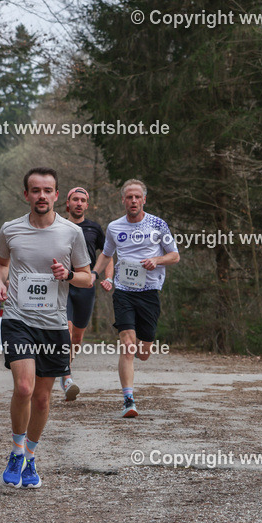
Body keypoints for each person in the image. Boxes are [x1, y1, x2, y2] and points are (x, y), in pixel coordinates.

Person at [0, 167, 93, 489]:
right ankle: (16, 451)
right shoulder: (10, 230)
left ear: (56, 195)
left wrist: (66, 275)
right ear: (26, 195)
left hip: (52, 325)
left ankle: (31, 457)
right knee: (23, 388)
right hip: (17, 318)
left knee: (41, 399)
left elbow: (87, 277)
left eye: (47, 190)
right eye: (35, 190)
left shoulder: (71, 233)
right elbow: (0, 263)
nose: (41, 196)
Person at [93, 179, 179, 418]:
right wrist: (93, 273)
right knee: (128, 347)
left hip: (149, 292)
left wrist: (157, 260)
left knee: (143, 351)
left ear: (144, 200)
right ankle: (128, 399)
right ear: (123, 200)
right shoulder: (114, 227)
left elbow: (174, 256)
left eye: (137, 197)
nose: (133, 201)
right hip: (124, 291)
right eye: (129, 197)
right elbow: (106, 255)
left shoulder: (158, 225)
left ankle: (142, 351)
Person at [59, 186, 106, 401]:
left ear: (87, 205)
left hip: (86, 287)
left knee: (77, 336)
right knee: (66, 331)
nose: (78, 203)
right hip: (63, 286)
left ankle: (67, 361)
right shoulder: (57, 226)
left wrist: (100, 275)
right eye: (75, 199)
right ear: (67, 203)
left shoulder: (94, 228)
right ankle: (66, 377)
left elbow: (108, 255)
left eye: (82, 200)